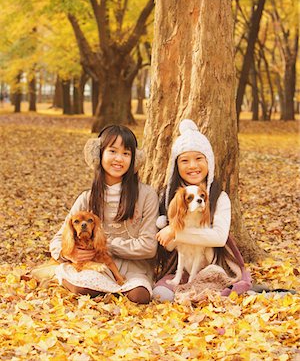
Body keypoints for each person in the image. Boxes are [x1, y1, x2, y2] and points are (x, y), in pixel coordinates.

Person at [50, 125, 159, 304]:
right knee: (83, 287)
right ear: (98, 154)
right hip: (95, 267)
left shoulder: (147, 195)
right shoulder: (87, 198)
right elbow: (56, 241)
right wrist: (70, 254)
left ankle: (113, 291)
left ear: (134, 159)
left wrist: (104, 245)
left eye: (126, 153)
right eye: (113, 151)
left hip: (134, 269)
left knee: (139, 296)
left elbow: (148, 246)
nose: (119, 159)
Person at [153, 119, 252, 302]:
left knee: (213, 287)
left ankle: (200, 290)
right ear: (176, 166)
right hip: (179, 267)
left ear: (209, 162)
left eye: (199, 158)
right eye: (184, 160)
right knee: (160, 295)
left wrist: (175, 231)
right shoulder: (169, 198)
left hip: (212, 263)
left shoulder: (219, 197)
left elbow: (219, 238)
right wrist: (171, 233)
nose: (192, 166)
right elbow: (167, 245)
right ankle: (191, 290)